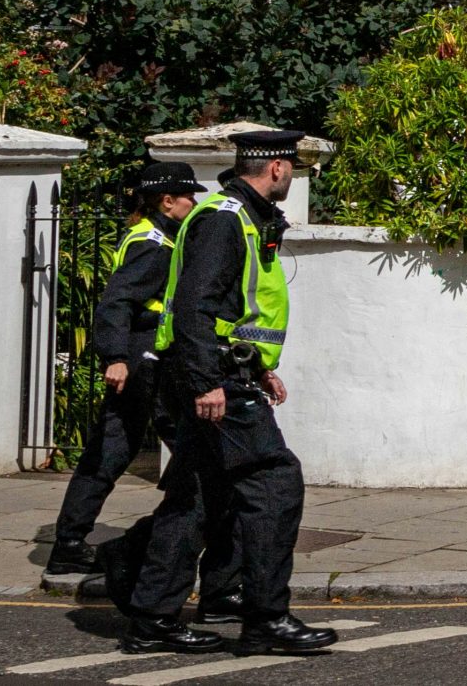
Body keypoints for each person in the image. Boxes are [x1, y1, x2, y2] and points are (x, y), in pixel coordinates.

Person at [120, 130, 334, 656]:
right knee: (274, 481)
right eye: (294, 167)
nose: (293, 176)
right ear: (277, 169)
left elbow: (236, 310)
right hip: (209, 374)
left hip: (221, 369)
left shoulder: (247, 218)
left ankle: (153, 615)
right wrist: (207, 382)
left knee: (198, 496)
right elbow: (196, 306)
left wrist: (258, 367)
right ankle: (265, 616)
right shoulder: (224, 220)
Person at [46, 162, 208, 578]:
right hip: (146, 358)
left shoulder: (160, 236)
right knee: (196, 443)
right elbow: (117, 300)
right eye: (189, 196)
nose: (195, 201)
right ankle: (172, 530)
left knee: (111, 451)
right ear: (167, 200)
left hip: (144, 356)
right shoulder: (152, 244)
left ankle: (69, 542)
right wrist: (115, 356)